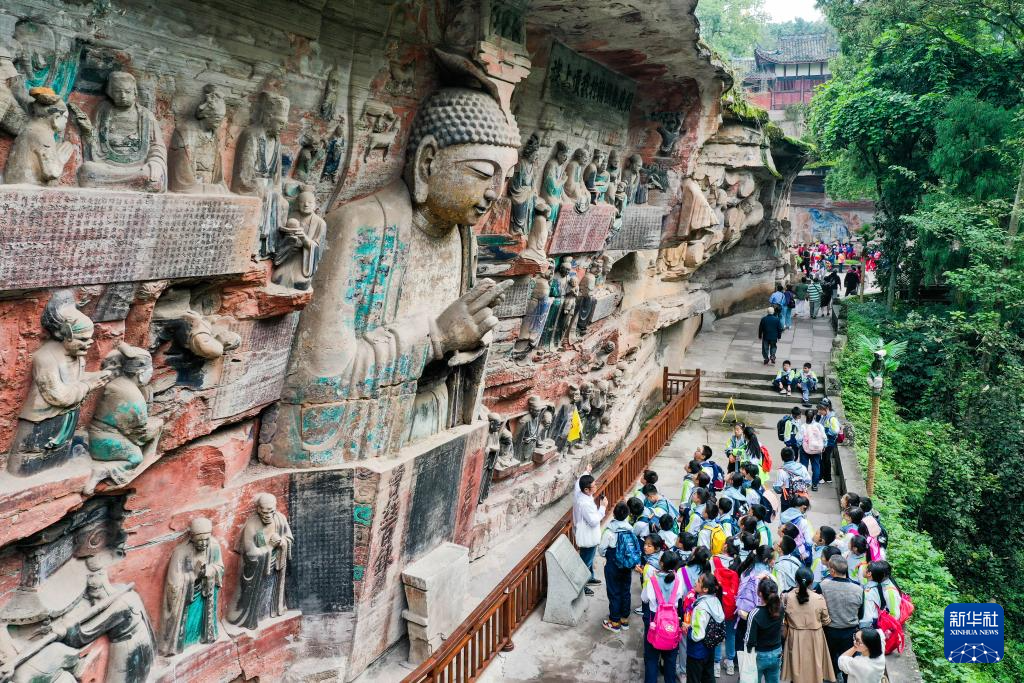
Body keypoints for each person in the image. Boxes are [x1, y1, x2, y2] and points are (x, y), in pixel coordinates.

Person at [781, 567, 835, 683]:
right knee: (815, 667)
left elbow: (784, 618)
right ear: (811, 582)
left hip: (794, 636)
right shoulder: (819, 598)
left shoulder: (787, 597)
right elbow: (826, 620)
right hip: (815, 636)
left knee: (796, 668)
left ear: (796, 580)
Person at [819, 555, 865, 678]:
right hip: (850, 632)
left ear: (832, 571)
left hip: (829, 630)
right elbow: (861, 614)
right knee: (848, 664)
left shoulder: (823, 586)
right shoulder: (858, 589)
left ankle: (832, 678)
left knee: (829, 661)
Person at [642, 551, 684, 683]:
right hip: (672, 620)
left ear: (661, 563)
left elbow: (644, 599)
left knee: (651, 657)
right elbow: (679, 599)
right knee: (670, 659)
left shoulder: (652, 580)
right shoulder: (678, 580)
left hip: (654, 619)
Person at [599, 501, 638, 632]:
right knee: (625, 590)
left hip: (613, 564)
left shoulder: (609, 531)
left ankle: (614, 621)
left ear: (614, 514)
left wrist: (606, 556)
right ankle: (624, 619)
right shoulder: (630, 529)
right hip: (626, 564)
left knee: (614, 591)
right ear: (627, 514)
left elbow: (602, 549)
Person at [684, 572, 726, 683]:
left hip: (696, 652)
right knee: (708, 677)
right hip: (710, 649)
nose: (695, 582)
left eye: (698, 581)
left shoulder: (700, 607)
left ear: (705, 589)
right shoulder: (716, 601)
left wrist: (688, 629)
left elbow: (697, 635)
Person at [743, 576, 784, 683]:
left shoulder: (754, 614)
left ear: (760, 594)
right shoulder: (780, 608)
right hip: (776, 652)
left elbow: (749, 641)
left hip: (759, 655)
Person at [572, 474, 606, 594]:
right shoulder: (585, 503)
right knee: (586, 561)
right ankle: (581, 586)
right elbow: (593, 521)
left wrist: (586, 471)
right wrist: (602, 508)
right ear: (586, 489)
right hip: (588, 535)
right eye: (593, 486)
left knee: (588, 559)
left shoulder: (580, 493)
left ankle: (590, 577)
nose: (596, 487)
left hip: (586, 532)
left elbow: (578, 483)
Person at [861, 561, 901, 628]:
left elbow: (895, 616)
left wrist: (884, 630)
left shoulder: (890, 592)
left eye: (866, 567)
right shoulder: (880, 584)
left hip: (885, 625)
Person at [817, 400, 841, 485]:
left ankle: (823, 477)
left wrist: (825, 432)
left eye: (821, 410)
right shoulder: (825, 416)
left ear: (826, 409)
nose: (819, 411)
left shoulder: (832, 418)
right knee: (826, 459)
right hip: (826, 442)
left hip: (829, 443)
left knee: (824, 459)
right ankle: (828, 477)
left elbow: (836, 431)